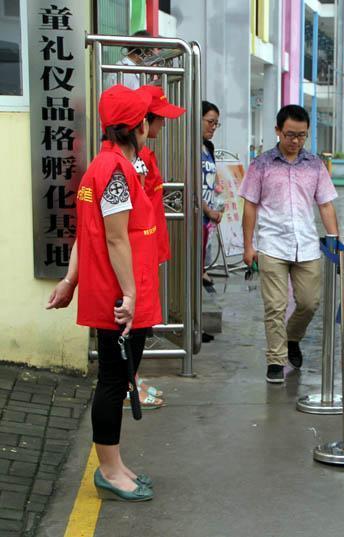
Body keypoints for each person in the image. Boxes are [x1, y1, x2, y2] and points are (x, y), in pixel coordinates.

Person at [46, 85, 160, 501]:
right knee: (114, 380)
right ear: (137, 127)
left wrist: (70, 280)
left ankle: (115, 463)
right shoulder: (114, 172)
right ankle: (109, 471)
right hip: (120, 297)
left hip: (114, 291)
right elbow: (114, 239)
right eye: (148, 119)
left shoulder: (105, 166)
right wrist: (129, 296)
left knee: (115, 378)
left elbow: (85, 234)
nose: (151, 126)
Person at [240, 105, 339, 384]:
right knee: (275, 305)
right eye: (290, 135)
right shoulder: (261, 164)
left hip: (306, 245)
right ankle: (275, 358)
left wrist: (335, 244)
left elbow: (326, 206)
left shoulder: (315, 165)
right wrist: (249, 246)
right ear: (277, 131)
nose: (295, 141)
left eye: (301, 136)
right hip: (271, 244)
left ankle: (292, 338)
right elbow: (249, 207)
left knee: (309, 303)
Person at [131, 84, 187, 407]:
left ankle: (132, 378)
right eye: (159, 119)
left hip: (148, 243)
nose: (163, 125)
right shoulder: (136, 158)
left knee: (142, 319)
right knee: (136, 321)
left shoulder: (143, 156)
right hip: (139, 248)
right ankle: (128, 384)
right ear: (143, 121)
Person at [201, 100, 223, 292]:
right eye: (210, 122)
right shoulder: (189, 147)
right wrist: (207, 210)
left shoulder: (209, 148)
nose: (213, 127)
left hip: (208, 216)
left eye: (216, 123)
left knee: (204, 257)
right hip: (197, 213)